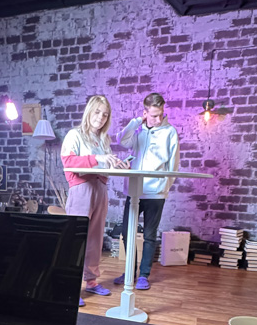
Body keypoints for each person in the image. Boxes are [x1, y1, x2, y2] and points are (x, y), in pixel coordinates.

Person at [61, 95, 128, 306]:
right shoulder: (75, 135)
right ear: (89, 111)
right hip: (82, 188)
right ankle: (69, 287)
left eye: (105, 114)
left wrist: (117, 165)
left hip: (100, 188)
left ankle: (91, 281)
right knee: (76, 238)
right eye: (97, 112)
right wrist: (98, 159)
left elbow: (104, 165)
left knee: (95, 239)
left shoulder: (103, 139)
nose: (101, 117)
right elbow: (68, 161)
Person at [114, 92, 180, 290]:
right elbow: (120, 140)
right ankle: (130, 271)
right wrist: (137, 122)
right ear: (145, 113)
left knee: (150, 235)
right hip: (134, 191)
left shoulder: (170, 132)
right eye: (153, 115)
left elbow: (173, 165)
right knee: (127, 232)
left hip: (156, 193)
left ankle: (143, 275)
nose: (158, 119)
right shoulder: (138, 131)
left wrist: (164, 188)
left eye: (161, 114)